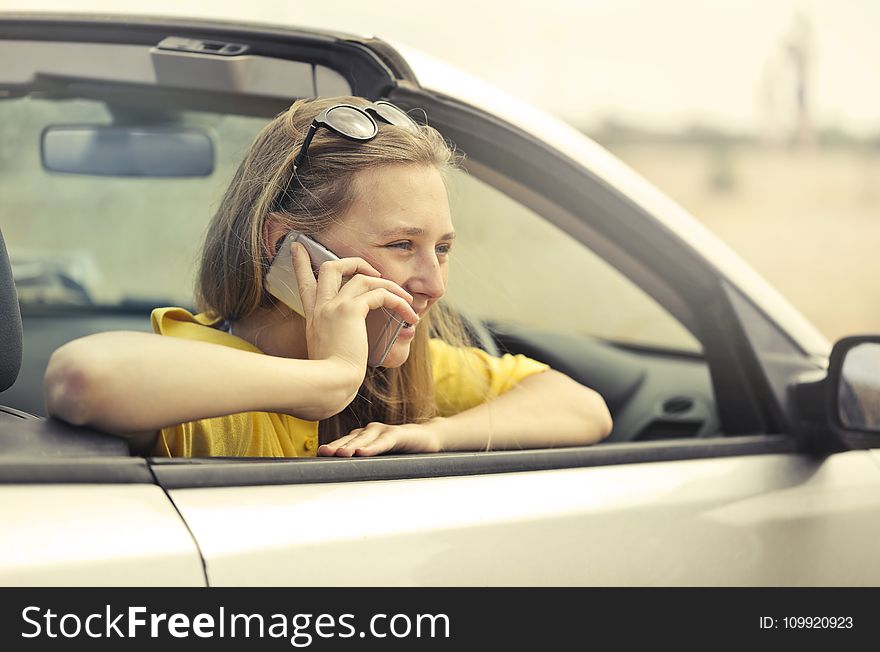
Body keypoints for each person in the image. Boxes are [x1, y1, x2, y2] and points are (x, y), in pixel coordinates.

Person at [44, 96, 612, 458]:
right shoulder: (200, 364)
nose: (434, 284)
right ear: (285, 244)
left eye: (440, 248)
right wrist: (330, 377)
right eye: (400, 245)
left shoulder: (396, 367)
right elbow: (83, 379)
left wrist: (437, 434)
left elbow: (584, 408)